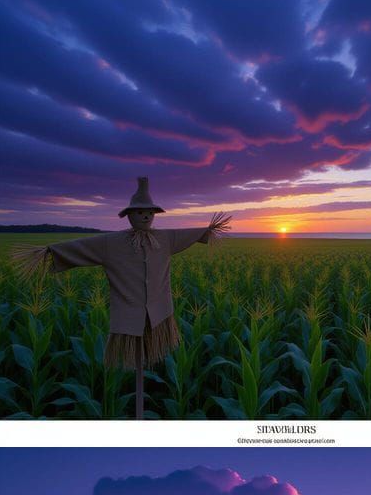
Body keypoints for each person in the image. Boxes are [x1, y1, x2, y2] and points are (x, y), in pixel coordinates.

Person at [12, 177, 231, 418]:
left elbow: (188, 234)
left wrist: (207, 230)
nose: (145, 216)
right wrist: (50, 251)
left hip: (159, 317)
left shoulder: (166, 239)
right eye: (140, 212)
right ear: (129, 215)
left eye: (149, 212)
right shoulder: (112, 243)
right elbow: (82, 247)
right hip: (127, 319)